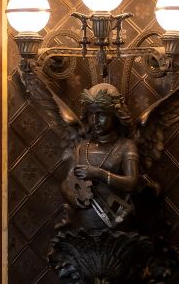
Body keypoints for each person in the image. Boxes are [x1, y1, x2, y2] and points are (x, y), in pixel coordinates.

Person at [60, 82, 140, 232]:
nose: (95, 120)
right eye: (91, 114)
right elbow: (67, 183)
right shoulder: (82, 147)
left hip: (117, 224)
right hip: (85, 222)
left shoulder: (126, 146)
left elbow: (132, 183)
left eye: (101, 114)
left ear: (116, 115)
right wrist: (75, 198)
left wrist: (100, 174)